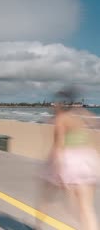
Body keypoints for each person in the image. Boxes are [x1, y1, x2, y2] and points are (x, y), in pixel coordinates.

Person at [37, 87, 99, 230]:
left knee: (47, 197)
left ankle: (38, 226)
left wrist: (54, 167)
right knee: (86, 208)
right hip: (88, 160)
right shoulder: (79, 116)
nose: (53, 105)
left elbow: (58, 146)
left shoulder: (61, 119)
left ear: (60, 104)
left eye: (55, 103)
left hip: (69, 161)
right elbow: (94, 128)